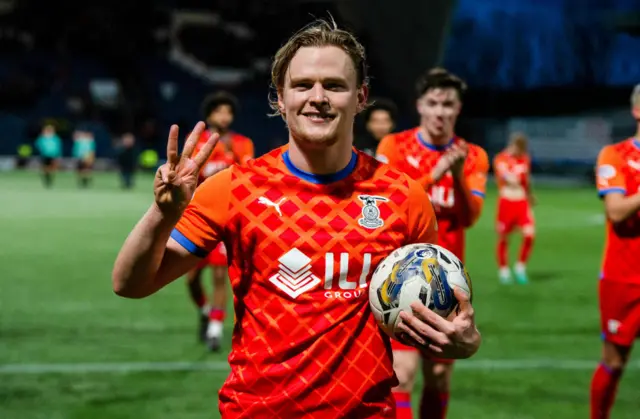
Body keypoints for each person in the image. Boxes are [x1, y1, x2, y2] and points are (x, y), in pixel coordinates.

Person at [112, 19, 481, 418]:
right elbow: (130, 284)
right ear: (279, 99)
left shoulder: (403, 195)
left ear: (361, 97)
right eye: (303, 85)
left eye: (334, 85)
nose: (317, 97)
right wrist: (161, 214)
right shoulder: (232, 188)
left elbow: (434, 306)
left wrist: (465, 341)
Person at [376, 67, 488, 419]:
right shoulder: (393, 146)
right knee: (402, 376)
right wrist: (435, 173)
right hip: (402, 280)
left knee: (439, 377)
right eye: (433, 103)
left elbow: (470, 216)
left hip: (448, 284)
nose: (440, 112)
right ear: (420, 106)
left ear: (458, 109)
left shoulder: (474, 156)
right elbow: (387, 204)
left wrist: (456, 176)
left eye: (448, 104)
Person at [186, 91, 254, 351]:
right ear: (209, 115)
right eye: (219, 111)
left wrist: (231, 155)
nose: (224, 116)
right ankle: (204, 311)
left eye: (228, 112)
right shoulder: (198, 143)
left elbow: (247, 177)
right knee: (191, 279)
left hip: (225, 220)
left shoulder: (241, 143)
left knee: (218, 276)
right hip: (197, 218)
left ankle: (215, 329)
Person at [591, 83, 640, 419]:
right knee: (615, 360)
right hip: (624, 279)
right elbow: (617, 211)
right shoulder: (616, 155)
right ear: (637, 111)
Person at [493, 132, 535, 284]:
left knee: (529, 234)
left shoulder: (524, 159)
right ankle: (504, 270)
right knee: (504, 237)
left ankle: (520, 267)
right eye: (520, 148)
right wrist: (512, 177)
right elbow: (507, 178)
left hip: (522, 201)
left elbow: (526, 180)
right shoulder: (501, 159)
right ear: (513, 145)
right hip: (507, 202)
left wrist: (530, 196)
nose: (522, 152)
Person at [34, 124, 63, 188]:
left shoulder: (56, 138)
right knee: (45, 168)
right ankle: (46, 179)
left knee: (52, 168)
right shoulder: (42, 138)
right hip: (45, 155)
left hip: (53, 155)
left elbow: (58, 147)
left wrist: (58, 155)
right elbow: (38, 145)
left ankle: (50, 180)